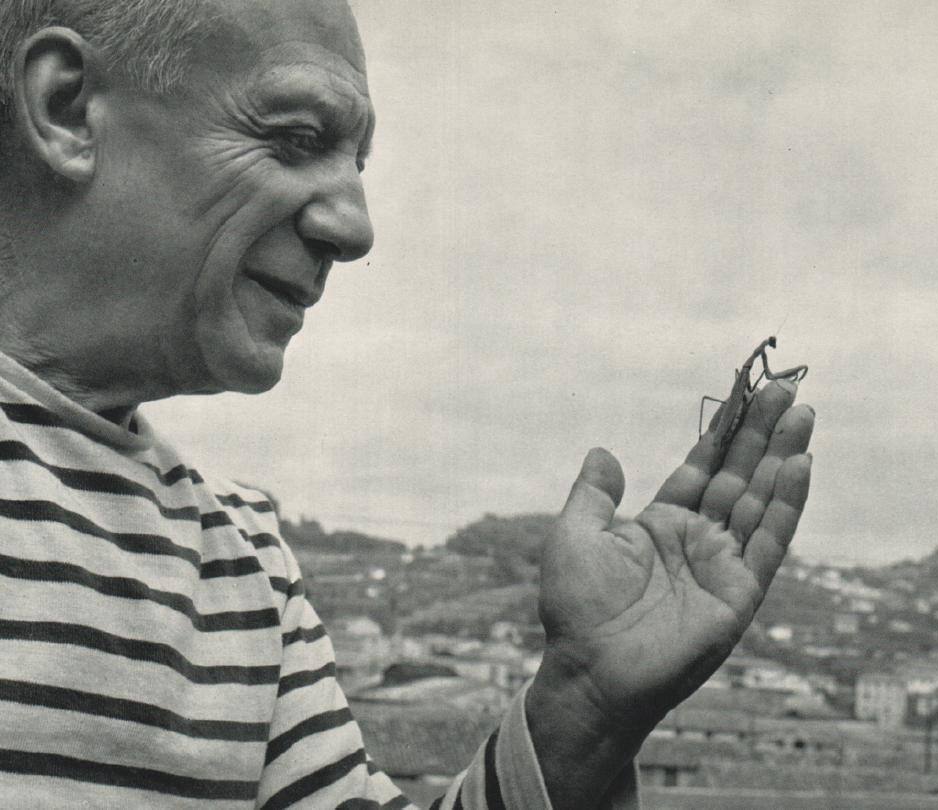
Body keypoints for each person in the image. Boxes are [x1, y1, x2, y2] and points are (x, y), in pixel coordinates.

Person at [0, 0, 815, 807]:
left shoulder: (244, 560)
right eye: (297, 138)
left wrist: (583, 707)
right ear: (67, 107)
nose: (357, 228)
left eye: (357, 164)